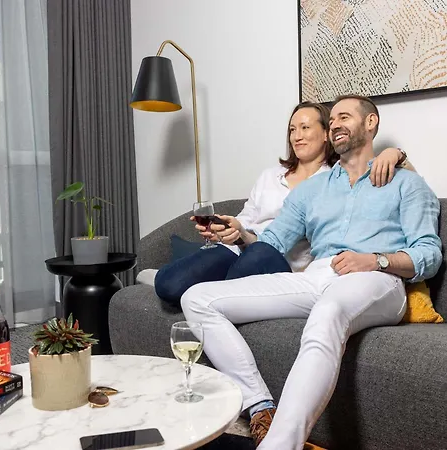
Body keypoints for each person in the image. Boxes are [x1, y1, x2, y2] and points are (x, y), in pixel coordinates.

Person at [180, 95, 442, 450]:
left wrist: (377, 259)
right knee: (197, 298)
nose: (335, 125)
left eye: (344, 117)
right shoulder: (313, 190)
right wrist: (237, 232)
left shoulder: (406, 184)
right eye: (331, 121)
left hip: (379, 280)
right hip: (316, 276)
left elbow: (429, 254)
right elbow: (272, 241)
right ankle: (260, 404)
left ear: (371, 123)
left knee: (328, 312)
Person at [155, 102, 412, 306]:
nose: (297, 136)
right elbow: (247, 217)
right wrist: (231, 229)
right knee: (167, 283)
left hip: (280, 266)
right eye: (292, 129)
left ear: (326, 134)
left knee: (259, 253)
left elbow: (396, 178)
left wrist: (396, 153)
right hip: (241, 250)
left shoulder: (336, 180)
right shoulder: (270, 175)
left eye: (305, 128)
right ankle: (203, 287)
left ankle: (210, 296)